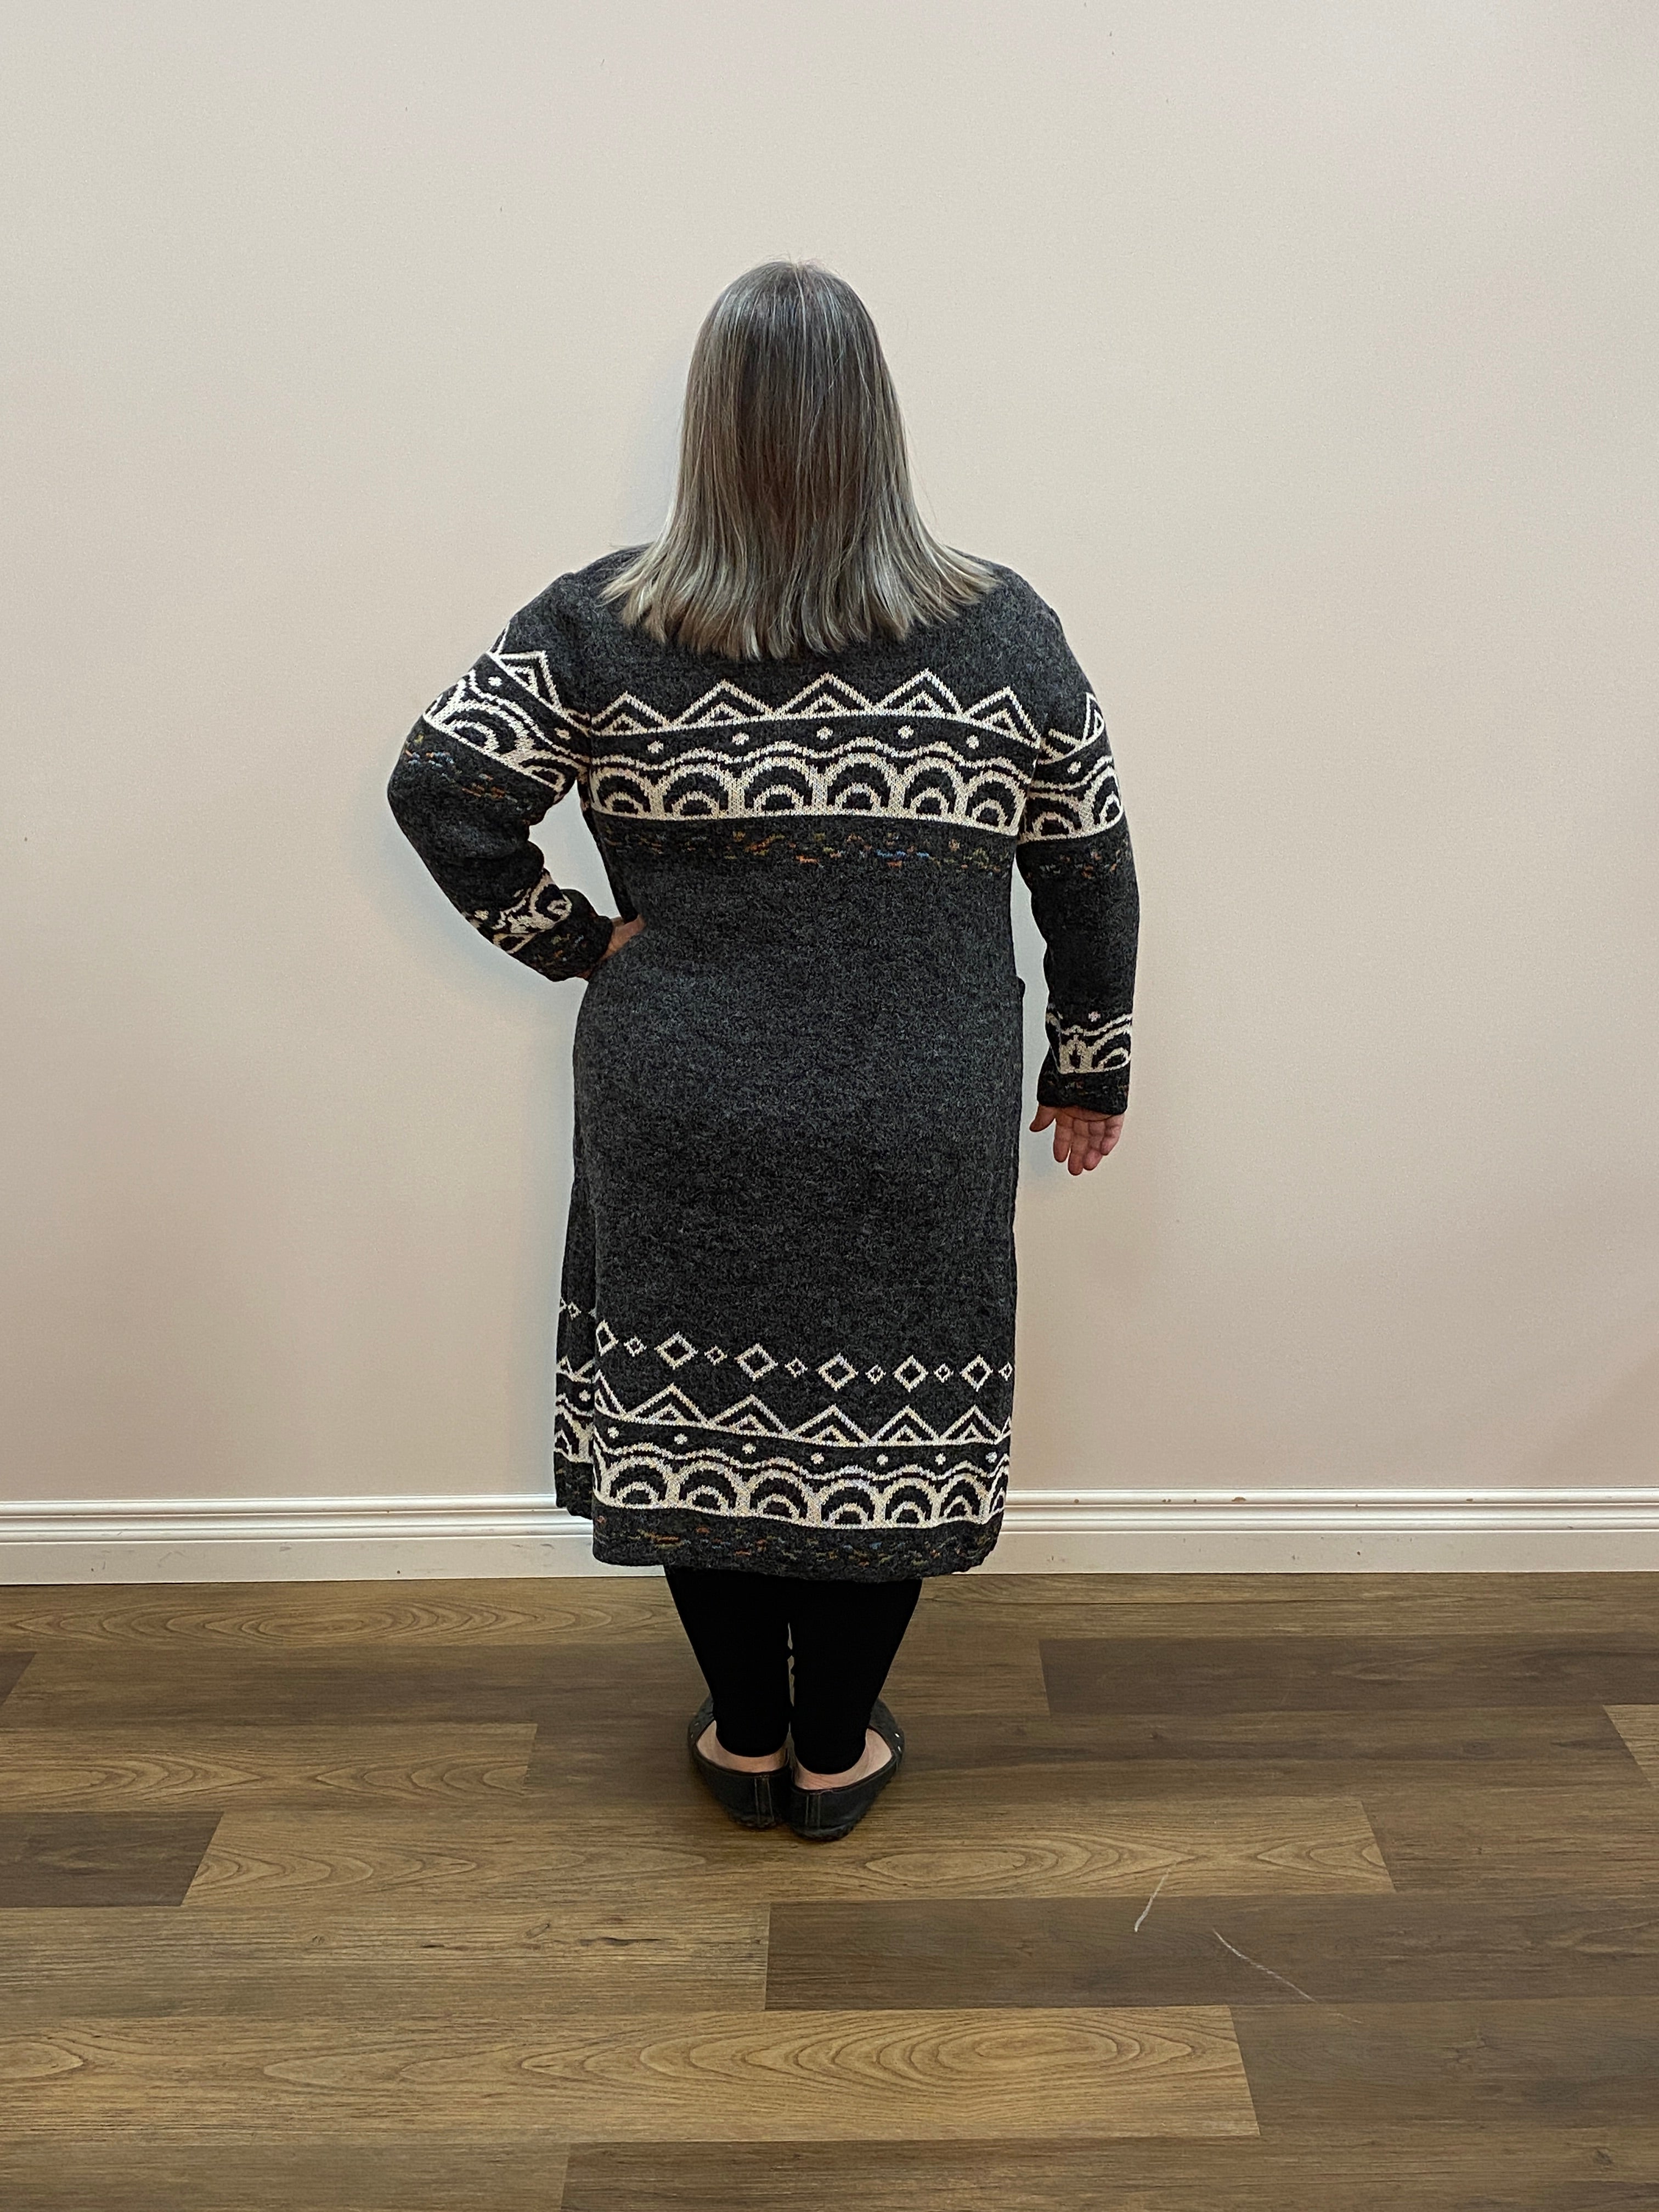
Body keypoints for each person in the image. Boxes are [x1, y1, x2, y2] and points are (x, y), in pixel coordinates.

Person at [386, 260, 1139, 1842]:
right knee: (893, 1411)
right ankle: (832, 1751)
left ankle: (742, 1733)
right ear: (879, 423)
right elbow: (1088, 860)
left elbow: (442, 789)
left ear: (707, 425)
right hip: (917, 1091)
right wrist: (1090, 1061)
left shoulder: (599, 621)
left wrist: (579, 946)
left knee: (695, 1406)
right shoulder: (1004, 630)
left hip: (686, 1086)